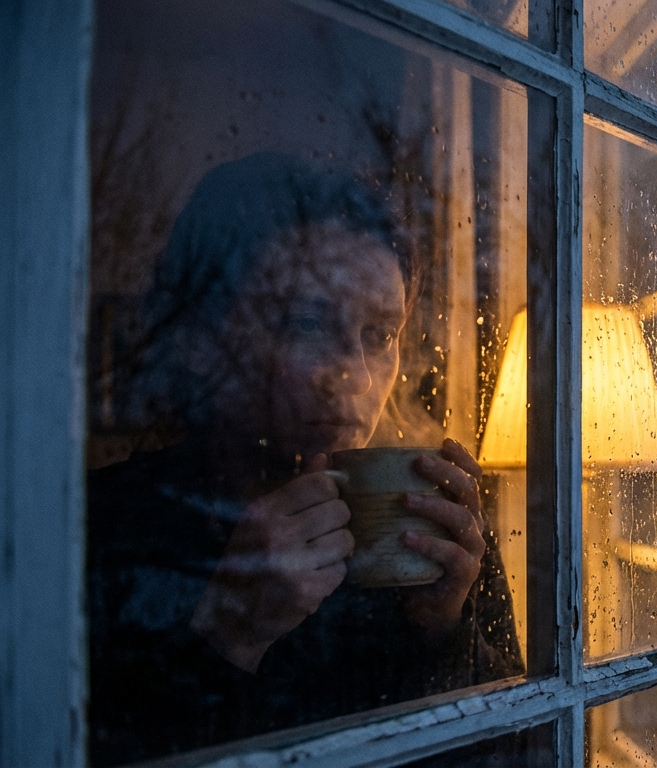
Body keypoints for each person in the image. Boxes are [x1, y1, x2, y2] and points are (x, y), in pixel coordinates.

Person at [87, 153, 522, 765]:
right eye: (307, 323)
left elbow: (522, 754)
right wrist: (227, 634)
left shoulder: (423, 525)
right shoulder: (100, 531)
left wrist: (443, 630)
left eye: (380, 336)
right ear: (201, 339)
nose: (351, 372)